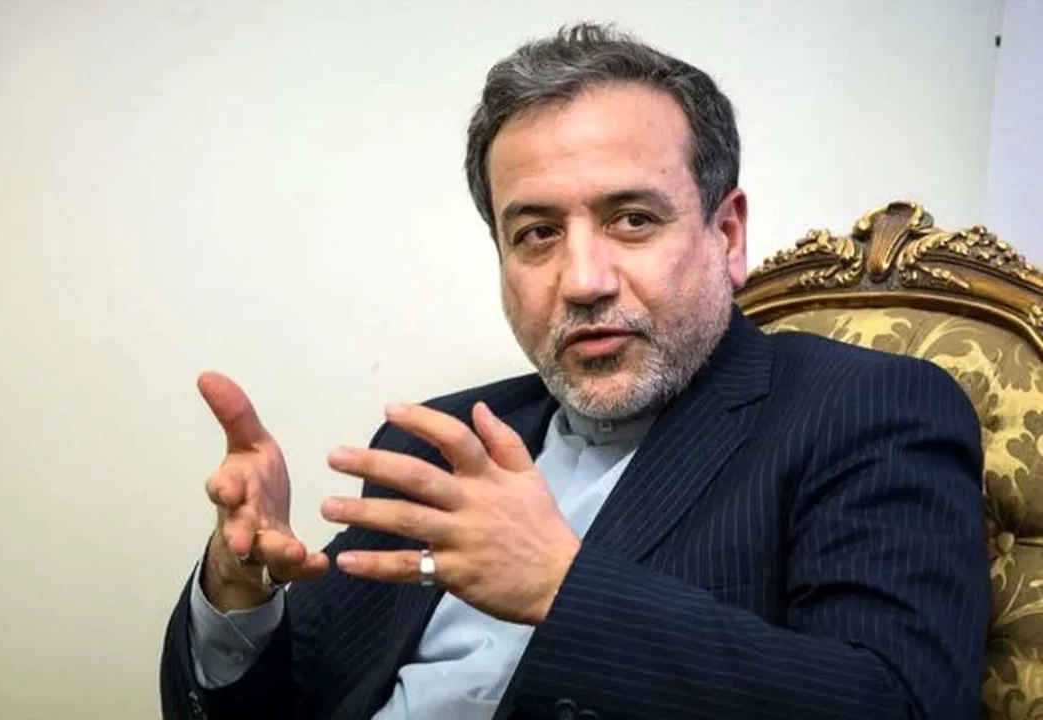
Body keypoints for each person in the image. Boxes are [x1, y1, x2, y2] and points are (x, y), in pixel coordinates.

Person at [160, 23, 989, 720]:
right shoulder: (436, 444)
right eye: (537, 234)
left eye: (632, 219)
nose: (583, 280)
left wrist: (562, 586)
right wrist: (238, 592)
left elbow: (900, 702)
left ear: (726, 236)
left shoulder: (867, 410)